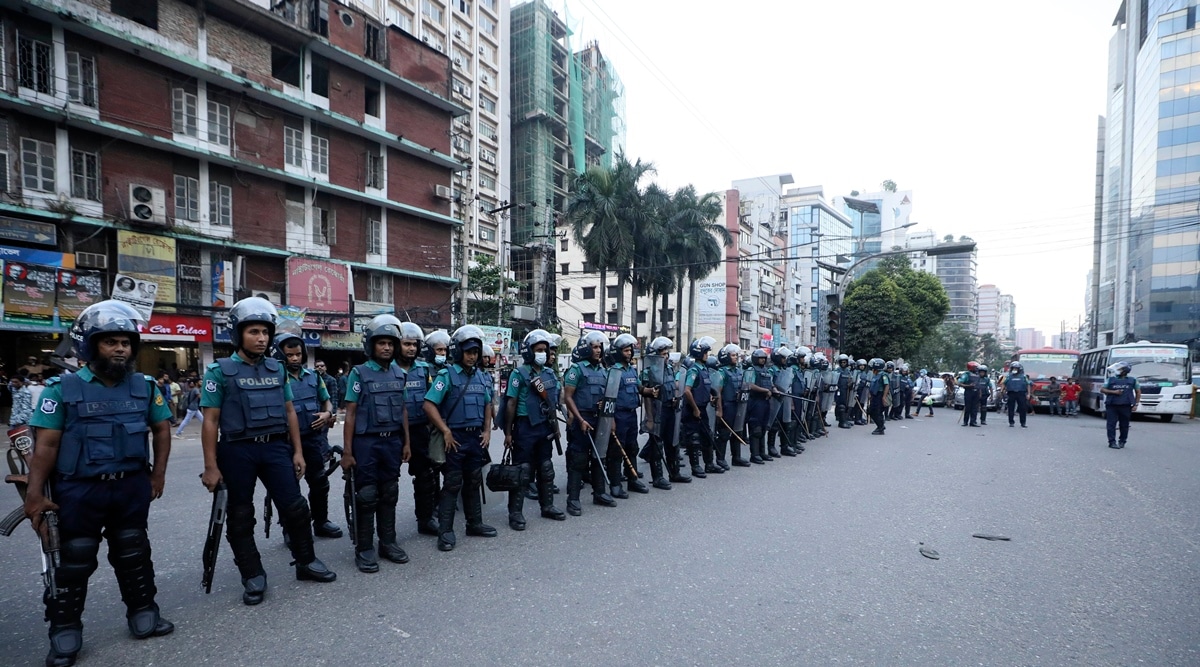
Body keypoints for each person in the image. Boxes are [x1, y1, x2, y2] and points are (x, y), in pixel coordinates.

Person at [22, 300, 174, 666]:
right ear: (91, 346)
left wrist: (158, 474)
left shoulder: (145, 386)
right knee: (74, 560)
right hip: (79, 490)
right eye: (110, 342)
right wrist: (34, 494)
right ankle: (65, 630)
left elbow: (162, 429)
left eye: (125, 342)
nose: (120, 348)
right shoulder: (62, 389)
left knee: (133, 551)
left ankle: (143, 613)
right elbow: (47, 444)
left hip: (130, 486)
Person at [200, 297, 336, 606]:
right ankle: (253, 575)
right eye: (253, 332)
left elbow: (290, 412)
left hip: (276, 447)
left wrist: (297, 452)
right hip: (236, 451)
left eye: (265, 332)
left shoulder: (278, 369)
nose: (261, 338)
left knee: (296, 507)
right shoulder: (219, 372)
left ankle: (306, 562)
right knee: (240, 516)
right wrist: (210, 466)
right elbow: (210, 420)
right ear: (238, 334)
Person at [341, 315, 410, 572]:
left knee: (389, 493)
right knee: (367, 496)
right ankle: (365, 548)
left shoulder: (398, 373)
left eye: (390, 344)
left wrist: (406, 442)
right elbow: (350, 413)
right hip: (366, 444)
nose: (387, 348)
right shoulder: (359, 373)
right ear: (371, 345)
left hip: (392, 442)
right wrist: (347, 453)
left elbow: (402, 409)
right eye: (381, 343)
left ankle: (388, 543)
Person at [423, 325, 497, 552]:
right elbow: (429, 404)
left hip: (475, 439)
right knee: (453, 484)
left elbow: (487, 403)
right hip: (454, 440)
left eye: (475, 352)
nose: (473, 356)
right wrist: (445, 431)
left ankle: (474, 524)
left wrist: (487, 430)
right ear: (458, 352)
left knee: (474, 481)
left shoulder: (480, 376)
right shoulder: (446, 375)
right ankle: (445, 532)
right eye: (468, 352)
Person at [273, 331, 342, 545]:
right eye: (290, 355)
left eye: (298, 354)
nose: (295, 358)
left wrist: (327, 413)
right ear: (280, 355)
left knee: (319, 483)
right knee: (288, 489)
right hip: (285, 442)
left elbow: (327, 401)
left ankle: (320, 522)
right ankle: (289, 529)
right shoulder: (274, 378)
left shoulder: (314, 377)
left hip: (313, 440)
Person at [503, 329, 566, 530]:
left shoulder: (549, 374)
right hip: (524, 427)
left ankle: (547, 506)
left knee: (546, 468)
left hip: (544, 426)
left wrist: (556, 428)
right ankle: (515, 513)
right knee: (522, 471)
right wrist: (508, 432)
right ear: (529, 352)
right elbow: (510, 403)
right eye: (538, 350)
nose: (542, 354)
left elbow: (553, 403)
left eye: (544, 350)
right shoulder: (518, 374)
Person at [562, 332, 618, 514]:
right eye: (594, 347)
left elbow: (608, 398)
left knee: (599, 456)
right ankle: (573, 499)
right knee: (578, 460)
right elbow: (568, 397)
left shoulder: (603, 370)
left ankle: (600, 493)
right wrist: (579, 419)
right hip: (582, 419)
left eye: (600, 347)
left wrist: (611, 420)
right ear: (586, 348)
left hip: (600, 419)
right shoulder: (576, 369)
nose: (598, 350)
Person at [393, 322, 440, 537]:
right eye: (406, 344)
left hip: (420, 430)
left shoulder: (423, 370)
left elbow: (431, 399)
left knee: (424, 477)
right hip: (393, 432)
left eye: (414, 344)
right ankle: (387, 529)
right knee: (388, 483)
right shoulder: (388, 368)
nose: (411, 348)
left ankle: (425, 518)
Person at [605, 334, 655, 493]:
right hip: (618, 415)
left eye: (630, 350)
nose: (629, 353)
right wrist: (611, 419)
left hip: (631, 414)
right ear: (618, 352)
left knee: (632, 447)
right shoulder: (614, 371)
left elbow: (639, 388)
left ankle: (632, 480)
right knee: (616, 450)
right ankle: (615, 484)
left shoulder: (632, 371)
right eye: (626, 350)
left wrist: (649, 391)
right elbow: (609, 396)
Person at [639, 336, 680, 489]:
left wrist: (675, 399)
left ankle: (674, 473)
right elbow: (647, 396)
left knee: (672, 443)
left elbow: (673, 387)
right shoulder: (649, 371)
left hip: (670, 408)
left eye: (667, 353)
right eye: (663, 354)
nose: (666, 356)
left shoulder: (669, 368)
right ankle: (658, 477)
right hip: (657, 411)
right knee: (657, 446)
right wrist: (649, 417)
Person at [680, 337, 721, 477]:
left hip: (702, 408)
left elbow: (704, 387)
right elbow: (687, 390)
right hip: (692, 410)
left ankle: (709, 464)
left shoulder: (704, 369)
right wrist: (695, 409)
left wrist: (710, 396)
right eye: (705, 352)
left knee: (707, 436)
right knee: (694, 439)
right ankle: (696, 467)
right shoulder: (694, 370)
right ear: (698, 353)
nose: (707, 355)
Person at [1101, 362, 1140, 449]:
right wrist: (1113, 392)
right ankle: (1112, 442)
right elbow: (1103, 389)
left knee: (1124, 425)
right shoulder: (1111, 379)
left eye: (1120, 369)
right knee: (1111, 424)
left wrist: (1136, 404)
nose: (1117, 371)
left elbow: (1138, 392)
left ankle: (1122, 441)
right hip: (1112, 405)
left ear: (1125, 371)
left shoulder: (1132, 380)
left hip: (1125, 405)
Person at [745, 349, 774, 463]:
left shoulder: (766, 371)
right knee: (755, 428)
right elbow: (750, 385)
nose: (763, 360)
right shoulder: (751, 370)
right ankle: (755, 454)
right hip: (755, 402)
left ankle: (762, 452)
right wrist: (765, 390)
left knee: (763, 428)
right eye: (760, 358)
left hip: (765, 402)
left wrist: (773, 389)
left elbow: (771, 384)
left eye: (764, 358)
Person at [1002, 361, 1033, 428]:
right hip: (1011, 393)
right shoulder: (1008, 376)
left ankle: (1023, 423)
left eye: (1016, 368)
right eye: (1014, 368)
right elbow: (1004, 383)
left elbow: (1028, 384)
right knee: (1011, 408)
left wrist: (1029, 394)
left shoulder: (1024, 376)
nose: (1015, 370)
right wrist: (1002, 391)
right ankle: (1011, 422)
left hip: (1021, 393)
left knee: (1022, 408)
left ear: (1019, 369)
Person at [867, 358, 890, 435]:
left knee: (878, 412)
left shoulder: (883, 375)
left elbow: (887, 386)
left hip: (880, 395)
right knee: (871, 411)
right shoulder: (875, 374)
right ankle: (881, 426)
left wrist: (884, 397)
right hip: (874, 395)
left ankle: (880, 428)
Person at [958, 361, 980, 427]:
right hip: (969, 392)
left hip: (976, 392)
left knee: (975, 408)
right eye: (975, 367)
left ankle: (973, 422)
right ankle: (965, 422)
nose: (976, 368)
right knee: (968, 408)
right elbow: (960, 383)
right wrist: (969, 386)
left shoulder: (978, 374)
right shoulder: (966, 374)